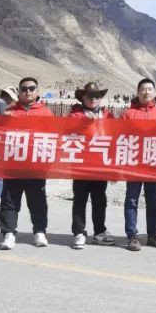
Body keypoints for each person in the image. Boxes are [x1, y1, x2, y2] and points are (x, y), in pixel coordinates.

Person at [0, 77, 54, 250]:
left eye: (31, 88)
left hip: (36, 166)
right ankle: (9, 233)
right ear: (19, 92)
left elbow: (53, 138)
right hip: (13, 165)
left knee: (37, 201)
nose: (27, 91)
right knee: (9, 200)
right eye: (23, 89)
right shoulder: (9, 110)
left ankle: (39, 231)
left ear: (37, 91)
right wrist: (2, 121)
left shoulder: (46, 113)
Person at [119, 78, 156, 251]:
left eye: (150, 89)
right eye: (143, 89)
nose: (147, 92)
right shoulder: (128, 114)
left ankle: (153, 235)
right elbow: (119, 136)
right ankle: (132, 236)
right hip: (134, 163)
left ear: (155, 92)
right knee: (131, 200)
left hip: (153, 163)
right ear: (137, 92)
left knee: (153, 200)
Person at [67, 82, 115, 249]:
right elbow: (68, 130)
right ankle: (79, 232)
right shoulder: (75, 115)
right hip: (81, 164)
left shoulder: (108, 115)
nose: (94, 99)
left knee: (100, 200)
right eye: (90, 96)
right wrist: (84, 123)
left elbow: (115, 136)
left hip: (100, 164)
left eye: (97, 96)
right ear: (83, 98)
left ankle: (99, 232)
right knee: (80, 199)